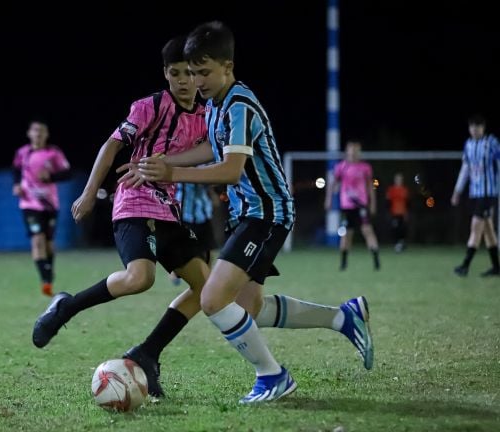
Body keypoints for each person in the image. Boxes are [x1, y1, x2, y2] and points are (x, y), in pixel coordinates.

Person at [136, 21, 373, 404]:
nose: (197, 81)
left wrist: (173, 173)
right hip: (247, 214)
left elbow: (230, 168)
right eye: (192, 72)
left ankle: (272, 376)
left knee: (213, 299)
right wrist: (163, 161)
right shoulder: (214, 104)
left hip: (267, 213)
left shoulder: (240, 105)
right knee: (250, 310)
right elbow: (213, 150)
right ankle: (342, 318)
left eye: (205, 72)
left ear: (228, 67)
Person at [31, 36, 211, 398]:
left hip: (170, 212)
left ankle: (147, 354)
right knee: (140, 278)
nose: (182, 80)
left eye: (189, 73)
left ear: (199, 76)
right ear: (165, 74)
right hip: (134, 201)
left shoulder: (207, 116)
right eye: (174, 73)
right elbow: (113, 144)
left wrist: (166, 166)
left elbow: (210, 151)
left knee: (206, 289)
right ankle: (66, 307)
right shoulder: (150, 106)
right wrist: (87, 193)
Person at [12, 120, 71, 297]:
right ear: (29, 133)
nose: (38, 134)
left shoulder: (53, 152)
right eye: (35, 130)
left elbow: (67, 173)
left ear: (46, 134)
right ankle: (45, 279)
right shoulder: (22, 152)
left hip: (50, 204)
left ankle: (48, 274)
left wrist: (51, 176)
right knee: (37, 239)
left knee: (48, 243)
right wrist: (16, 185)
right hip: (29, 203)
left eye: (41, 131)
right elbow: (15, 170)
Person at [451, 114, 500, 277]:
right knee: (488, 231)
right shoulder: (469, 145)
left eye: (477, 126)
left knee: (476, 226)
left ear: (483, 128)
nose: (474, 129)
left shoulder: (491, 143)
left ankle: (465, 265)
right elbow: (465, 170)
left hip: (488, 193)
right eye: (472, 126)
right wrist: (457, 191)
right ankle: (496, 267)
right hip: (475, 193)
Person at [324, 140, 381, 271]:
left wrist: (373, 203)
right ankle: (343, 262)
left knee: (367, 230)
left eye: (356, 150)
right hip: (347, 206)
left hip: (361, 205)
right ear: (347, 152)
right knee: (346, 234)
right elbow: (333, 183)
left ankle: (376, 260)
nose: (354, 153)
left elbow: (370, 187)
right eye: (351, 150)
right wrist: (328, 199)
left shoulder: (365, 167)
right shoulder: (341, 167)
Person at [169, 182, 217, 285]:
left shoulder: (204, 166)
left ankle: (208, 279)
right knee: (182, 248)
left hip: (204, 213)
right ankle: (175, 272)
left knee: (207, 248)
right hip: (184, 214)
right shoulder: (180, 168)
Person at [386, 172, 409, 252]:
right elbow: (388, 201)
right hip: (394, 213)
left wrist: (406, 213)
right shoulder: (391, 189)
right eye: (397, 179)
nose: (399, 181)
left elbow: (407, 203)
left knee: (402, 229)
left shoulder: (404, 190)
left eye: (400, 179)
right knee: (395, 228)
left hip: (402, 213)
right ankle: (396, 244)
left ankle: (401, 243)